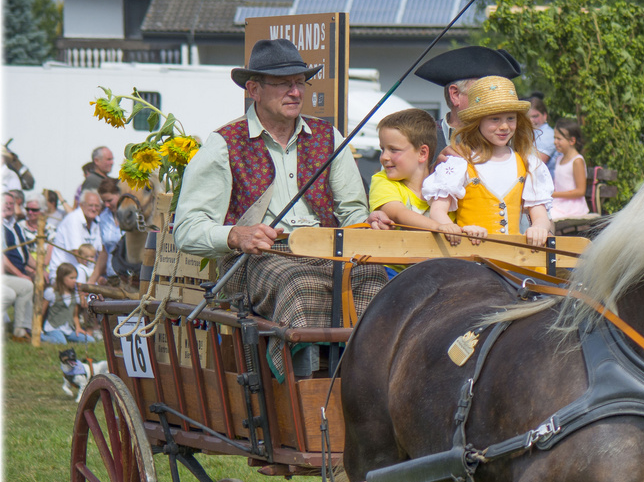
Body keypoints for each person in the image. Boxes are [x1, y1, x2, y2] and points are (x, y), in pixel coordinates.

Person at [173, 38, 388, 379]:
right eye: (283, 83)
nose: (295, 92)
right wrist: (235, 235)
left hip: (328, 252)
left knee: (376, 279)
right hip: (255, 259)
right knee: (298, 283)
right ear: (254, 89)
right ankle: (302, 390)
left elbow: (352, 214)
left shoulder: (327, 137)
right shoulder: (223, 145)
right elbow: (187, 228)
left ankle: (364, 382)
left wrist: (369, 224)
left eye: (299, 82)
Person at [423, 76, 554, 245]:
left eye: (510, 118)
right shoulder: (459, 162)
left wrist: (539, 228)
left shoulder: (528, 164)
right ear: (478, 122)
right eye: (495, 119)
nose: (505, 126)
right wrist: (453, 228)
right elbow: (438, 211)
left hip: (514, 257)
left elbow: (540, 215)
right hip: (471, 255)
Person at [414, 45, 524, 154]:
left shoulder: (516, 142)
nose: (495, 101)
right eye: (482, 92)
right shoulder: (420, 139)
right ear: (455, 95)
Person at [364, 108, 437, 229]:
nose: (384, 157)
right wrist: (441, 228)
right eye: (382, 149)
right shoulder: (382, 181)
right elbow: (398, 214)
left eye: (393, 150)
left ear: (422, 153)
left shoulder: (444, 184)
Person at [49, 186, 104, 282]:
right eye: (90, 205)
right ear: (82, 205)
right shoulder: (73, 219)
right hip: (65, 274)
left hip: (86, 270)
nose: (94, 209)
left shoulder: (98, 221)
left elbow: (100, 251)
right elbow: (78, 254)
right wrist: (95, 277)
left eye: (97, 206)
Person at [3, 189, 34, 339]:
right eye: (5, 203)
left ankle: (29, 328)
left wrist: (40, 270)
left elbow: (25, 255)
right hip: (5, 274)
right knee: (25, 285)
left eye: (11, 203)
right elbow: (3, 258)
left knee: (35, 283)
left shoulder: (16, 226)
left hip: (17, 273)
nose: (8, 206)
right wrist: (21, 274)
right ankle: (20, 330)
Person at [40, 262, 94, 343]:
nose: (74, 281)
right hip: (53, 327)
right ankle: (41, 337)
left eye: (75, 278)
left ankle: (62, 338)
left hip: (68, 329)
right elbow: (41, 312)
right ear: (62, 278)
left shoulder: (74, 294)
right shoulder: (51, 292)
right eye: (71, 278)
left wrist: (78, 328)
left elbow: (75, 315)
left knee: (90, 340)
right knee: (61, 342)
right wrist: (39, 328)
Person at [549, 119, 590, 219]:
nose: (555, 142)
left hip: (573, 207)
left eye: (559, 139)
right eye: (554, 138)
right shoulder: (559, 159)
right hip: (558, 203)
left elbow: (580, 191)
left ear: (572, 141)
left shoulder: (577, 161)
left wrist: (554, 194)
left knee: (547, 216)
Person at [526, 93, 559, 181]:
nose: (531, 121)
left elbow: (536, 164)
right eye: (527, 117)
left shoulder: (547, 134)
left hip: (550, 187)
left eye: (535, 116)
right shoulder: (531, 133)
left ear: (545, 115)